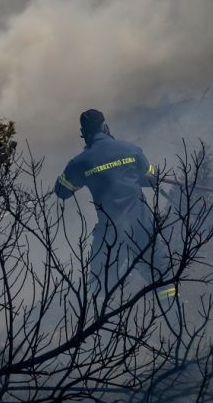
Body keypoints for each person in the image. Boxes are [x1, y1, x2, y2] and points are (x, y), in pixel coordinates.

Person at [54, 109, 161, 290]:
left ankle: (108, 316)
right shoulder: (131, 150)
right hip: (142, 225)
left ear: (83, 133)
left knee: (100, 284)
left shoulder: (80, 163)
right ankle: (172, 311)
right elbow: (152, 179)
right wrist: (128, 175)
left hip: (111, 232)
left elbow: (62, 191)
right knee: (161, 275)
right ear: (105, 126)